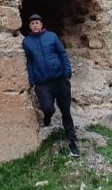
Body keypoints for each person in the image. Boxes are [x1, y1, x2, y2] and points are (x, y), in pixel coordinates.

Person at [22, 14, 80, 157]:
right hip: (42, 83)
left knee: (66, 112)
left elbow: (62, 54)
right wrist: (32, 80)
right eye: (32, 23)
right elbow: (29, 62)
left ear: (41, 24)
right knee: (47, 107)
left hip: (60, 80)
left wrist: (67, 73)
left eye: (37, 22)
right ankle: (48, 116)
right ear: (29, 26)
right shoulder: (27, 42)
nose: (35, 25)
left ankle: (72, 142)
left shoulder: (51, 36)